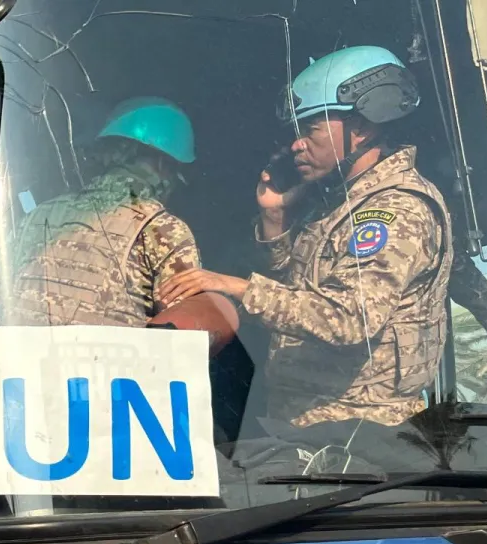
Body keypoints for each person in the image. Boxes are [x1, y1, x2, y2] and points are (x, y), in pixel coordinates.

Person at [160, 46, 452, 428]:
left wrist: (235, 287)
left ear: (361, 128)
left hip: (364, 433)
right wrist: (275, 219)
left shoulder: (396, 210)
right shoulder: (336, 204)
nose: (296, 144)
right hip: (309, 425)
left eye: (310, 129)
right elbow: (297, 297)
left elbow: (348, 319)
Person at [6, 97, 202, 328]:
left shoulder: (38, 216)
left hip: (23, 363)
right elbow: (184, 333)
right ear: (163, 165)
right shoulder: (164, 230)